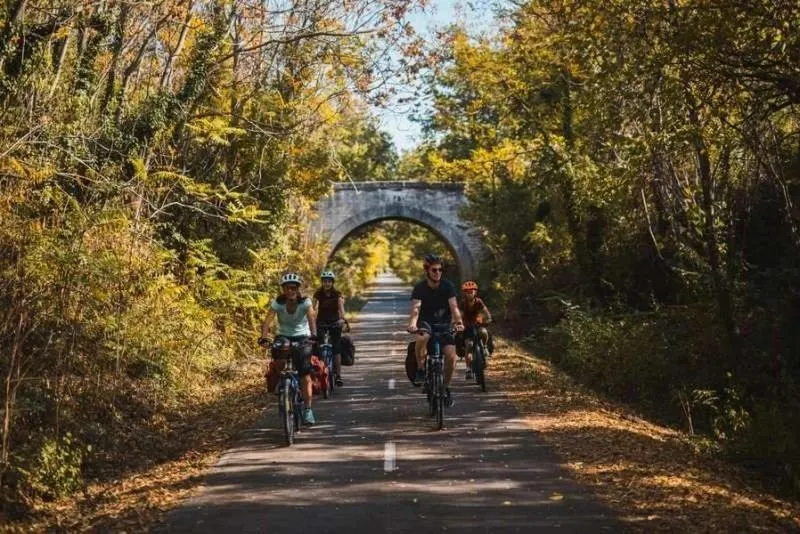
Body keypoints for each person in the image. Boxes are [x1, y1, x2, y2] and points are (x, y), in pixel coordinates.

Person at [259, 272, 318, 426]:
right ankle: (282, 382)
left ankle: (308, 410)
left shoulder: (305, 302)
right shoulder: (278, 303)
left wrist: (314, 335)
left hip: (302, 337)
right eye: (287, 288)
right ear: (283, 290)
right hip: (283, 336)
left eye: (293, 288)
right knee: (279, 361)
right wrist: (264, 337)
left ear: (298, 289)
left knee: (305, 374)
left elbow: (312, 318)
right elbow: (267, 321)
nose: (290, 291)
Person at [407, 253, 464, 407]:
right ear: (427, 271)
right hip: (426, 323)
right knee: (421, 338)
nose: (438, 272)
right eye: (434, 270)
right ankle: (420, 369)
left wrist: (458, 322)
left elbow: (454, 307)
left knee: (451, 357)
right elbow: (416, 309)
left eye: (440, 270)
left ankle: (445, 388)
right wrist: (413, 323)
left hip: (444, 325)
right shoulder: (420, 287)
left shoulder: (448, 286)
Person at [312, 270, 346, 387]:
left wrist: (342, 319)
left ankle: (338, 375)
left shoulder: (337, 294)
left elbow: (341, 309)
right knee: (318, 347)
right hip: (321, 322)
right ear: (322, 282)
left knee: (336, 348)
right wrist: (311, 319)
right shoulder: (318, 294)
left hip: (335, 322)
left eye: (329, 282)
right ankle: (319, 373)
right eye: (325, 281)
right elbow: (313, 308)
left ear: (332, 283)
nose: (327, 284)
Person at [458, 280, 492, 380]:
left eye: (471, 292)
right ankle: (468, 369)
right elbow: (459, 315)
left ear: (475, 292)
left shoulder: (479, 301)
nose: (469, 294)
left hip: (477, 324)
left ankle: (485, 347)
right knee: (468, 345)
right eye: (467, 292)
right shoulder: (463, 303)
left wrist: (488, 318)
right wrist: (459, 322)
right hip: (466, 326)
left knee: (484, 332)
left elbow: (485, 311)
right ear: (465, 293)